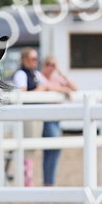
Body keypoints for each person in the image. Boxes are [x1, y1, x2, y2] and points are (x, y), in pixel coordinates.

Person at [11, 48, 73, 187]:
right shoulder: (21, 74)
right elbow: (23, 93)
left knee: (33, 148)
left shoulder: (35, 73)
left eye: (36, 58)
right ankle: (26, 180)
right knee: (28, 147)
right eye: (32, 59)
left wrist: (62, 90)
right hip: (27, 114)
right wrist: (43, 89)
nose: (36, 61)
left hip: (35, 114)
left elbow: (47, 86)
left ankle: (30, 179)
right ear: (24, 60)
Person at [39, 56, 78, 186]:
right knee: (54, 147)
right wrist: (63, 90)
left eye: (54, 65)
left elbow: (75, 88)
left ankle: (49, 181)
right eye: (49, 64)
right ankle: (49, 181)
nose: (51, 67)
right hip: (46, 117)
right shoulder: (39, 77)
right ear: (44, 65)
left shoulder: (57, 78)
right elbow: (45, 87)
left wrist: (61, 73)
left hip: (55, 119)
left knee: (52, 149)